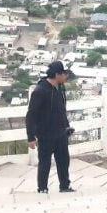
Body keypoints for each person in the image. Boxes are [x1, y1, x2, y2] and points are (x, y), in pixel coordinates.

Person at [25, 61, 75, 193]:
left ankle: (64, 185)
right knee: (45, 162)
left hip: (61, 132)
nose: (65, 76)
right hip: (45, 134)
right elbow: (31, 115)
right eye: (63, 73)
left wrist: (67, 126)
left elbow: (61, 110)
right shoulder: (40, 91)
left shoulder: (61, 88)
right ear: (57, 74)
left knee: (64, 161)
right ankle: (42, 188)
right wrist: (31, 137)